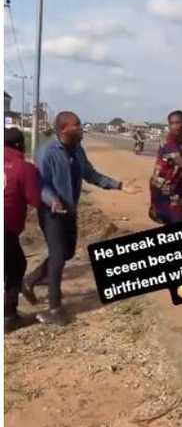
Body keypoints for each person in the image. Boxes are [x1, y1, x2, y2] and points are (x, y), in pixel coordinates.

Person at [25, 111, 141, 325]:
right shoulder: (47, 151)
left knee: (67, 253)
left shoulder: (77, 149)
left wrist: (120, 185)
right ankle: (54, 308)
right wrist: (52, 200)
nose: (80, 128)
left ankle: (30, 280)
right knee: (58, 255)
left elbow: (90, 174)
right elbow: (40, 183)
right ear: (63, 130)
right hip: (51, 211)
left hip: (69, 209)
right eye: (76, 125)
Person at [4, 128, 41, 333]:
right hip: (6, 228)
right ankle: (9, 316)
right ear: (20, 145)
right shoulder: (23, 167)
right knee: (16, 266)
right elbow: (34, 200)